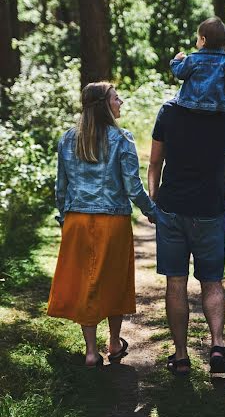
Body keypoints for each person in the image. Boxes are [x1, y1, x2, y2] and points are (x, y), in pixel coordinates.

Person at [47, 81, 155, 368]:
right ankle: (114, 342)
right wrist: (152, 211)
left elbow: (61, 187)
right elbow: (133, 188)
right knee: (114, 281)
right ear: (106, 106)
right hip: (113, 222)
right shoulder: (123, 139)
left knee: (86, 282)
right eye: (117, 99)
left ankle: (91, 350)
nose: (121, 103)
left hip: (77, 222)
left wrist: (63, 218)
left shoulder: (68, 139)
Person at [148, 93, 225, 376]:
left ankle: (180, 357)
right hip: (210, 209)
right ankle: (217, 346)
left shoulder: (168, 110)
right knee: (213, 282)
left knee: (176, 282)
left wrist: (155, 202)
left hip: (172, 208)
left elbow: (155, 163)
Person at [170, 16, 225, 113]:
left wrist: (176, 61)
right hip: (218, 108)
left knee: (172, 102)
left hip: (191, 105)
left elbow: (180, 73)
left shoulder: (192, 59)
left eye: (197, 38)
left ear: (203, 40)